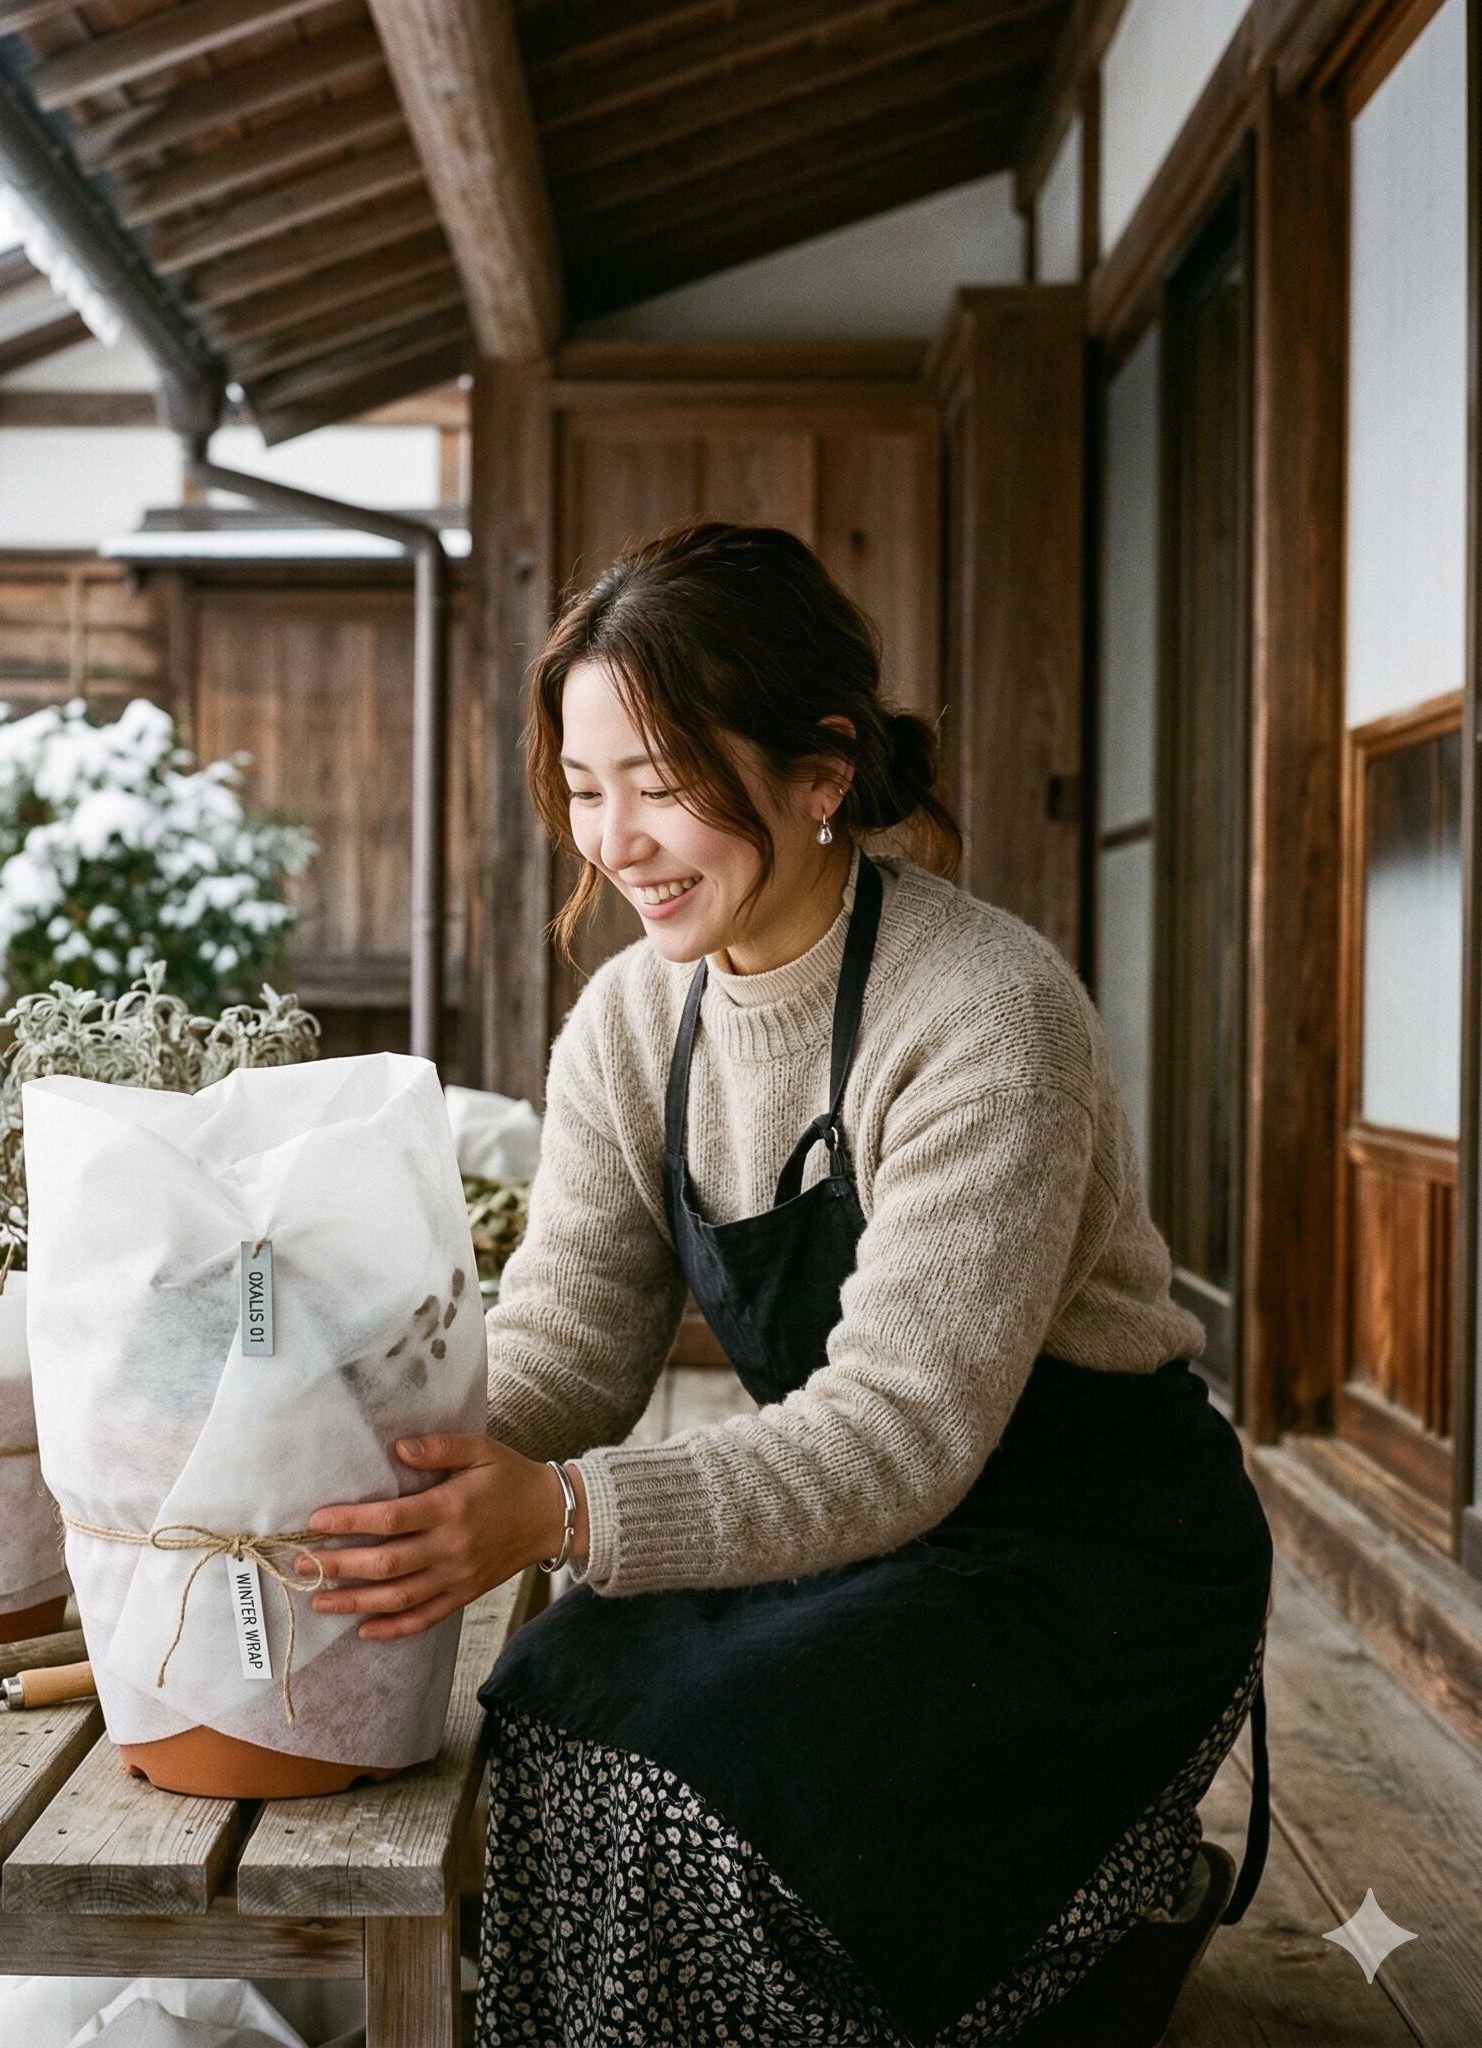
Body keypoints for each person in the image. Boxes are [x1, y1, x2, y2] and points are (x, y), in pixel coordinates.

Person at [298, 521, 1273, 2046]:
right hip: (864, 1529)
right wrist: (382, 1466)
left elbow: (898, 1429)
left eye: (661, 783)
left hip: (1085, 1556)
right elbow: (567, 1341)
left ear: (823, 772)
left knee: (719, 1777)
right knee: (558, 1694)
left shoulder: (984, 1015)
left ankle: (1114, 1888)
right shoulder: (630, 1022)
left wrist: (558, 1514)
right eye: (583, 787)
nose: (614, 840)